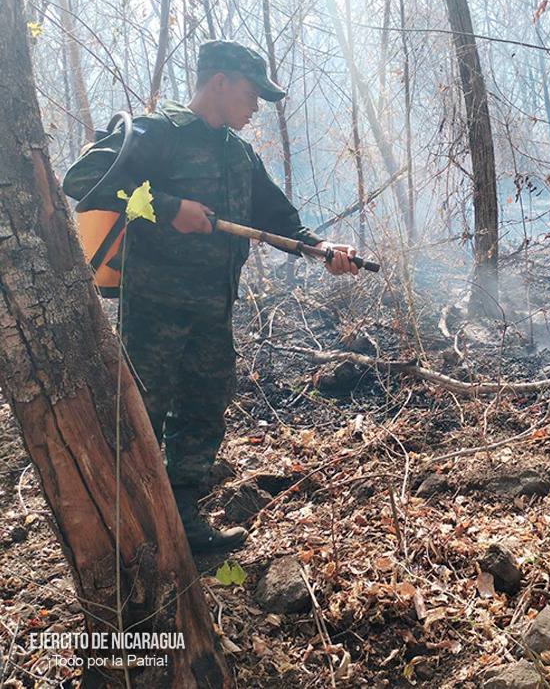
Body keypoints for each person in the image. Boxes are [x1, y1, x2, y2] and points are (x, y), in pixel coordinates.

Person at [62, 40, 358, 553]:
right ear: (219, 82)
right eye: (251, 93)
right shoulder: (159, 134)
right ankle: (127, 530)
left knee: (202, 409)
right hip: (155, 309)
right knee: (140, 415)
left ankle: (181, 519)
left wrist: (323, 248)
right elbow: (83, 179)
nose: (256, 107)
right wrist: (168, 206)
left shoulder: (239, 154)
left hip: (212, 310)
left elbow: (280, 220)